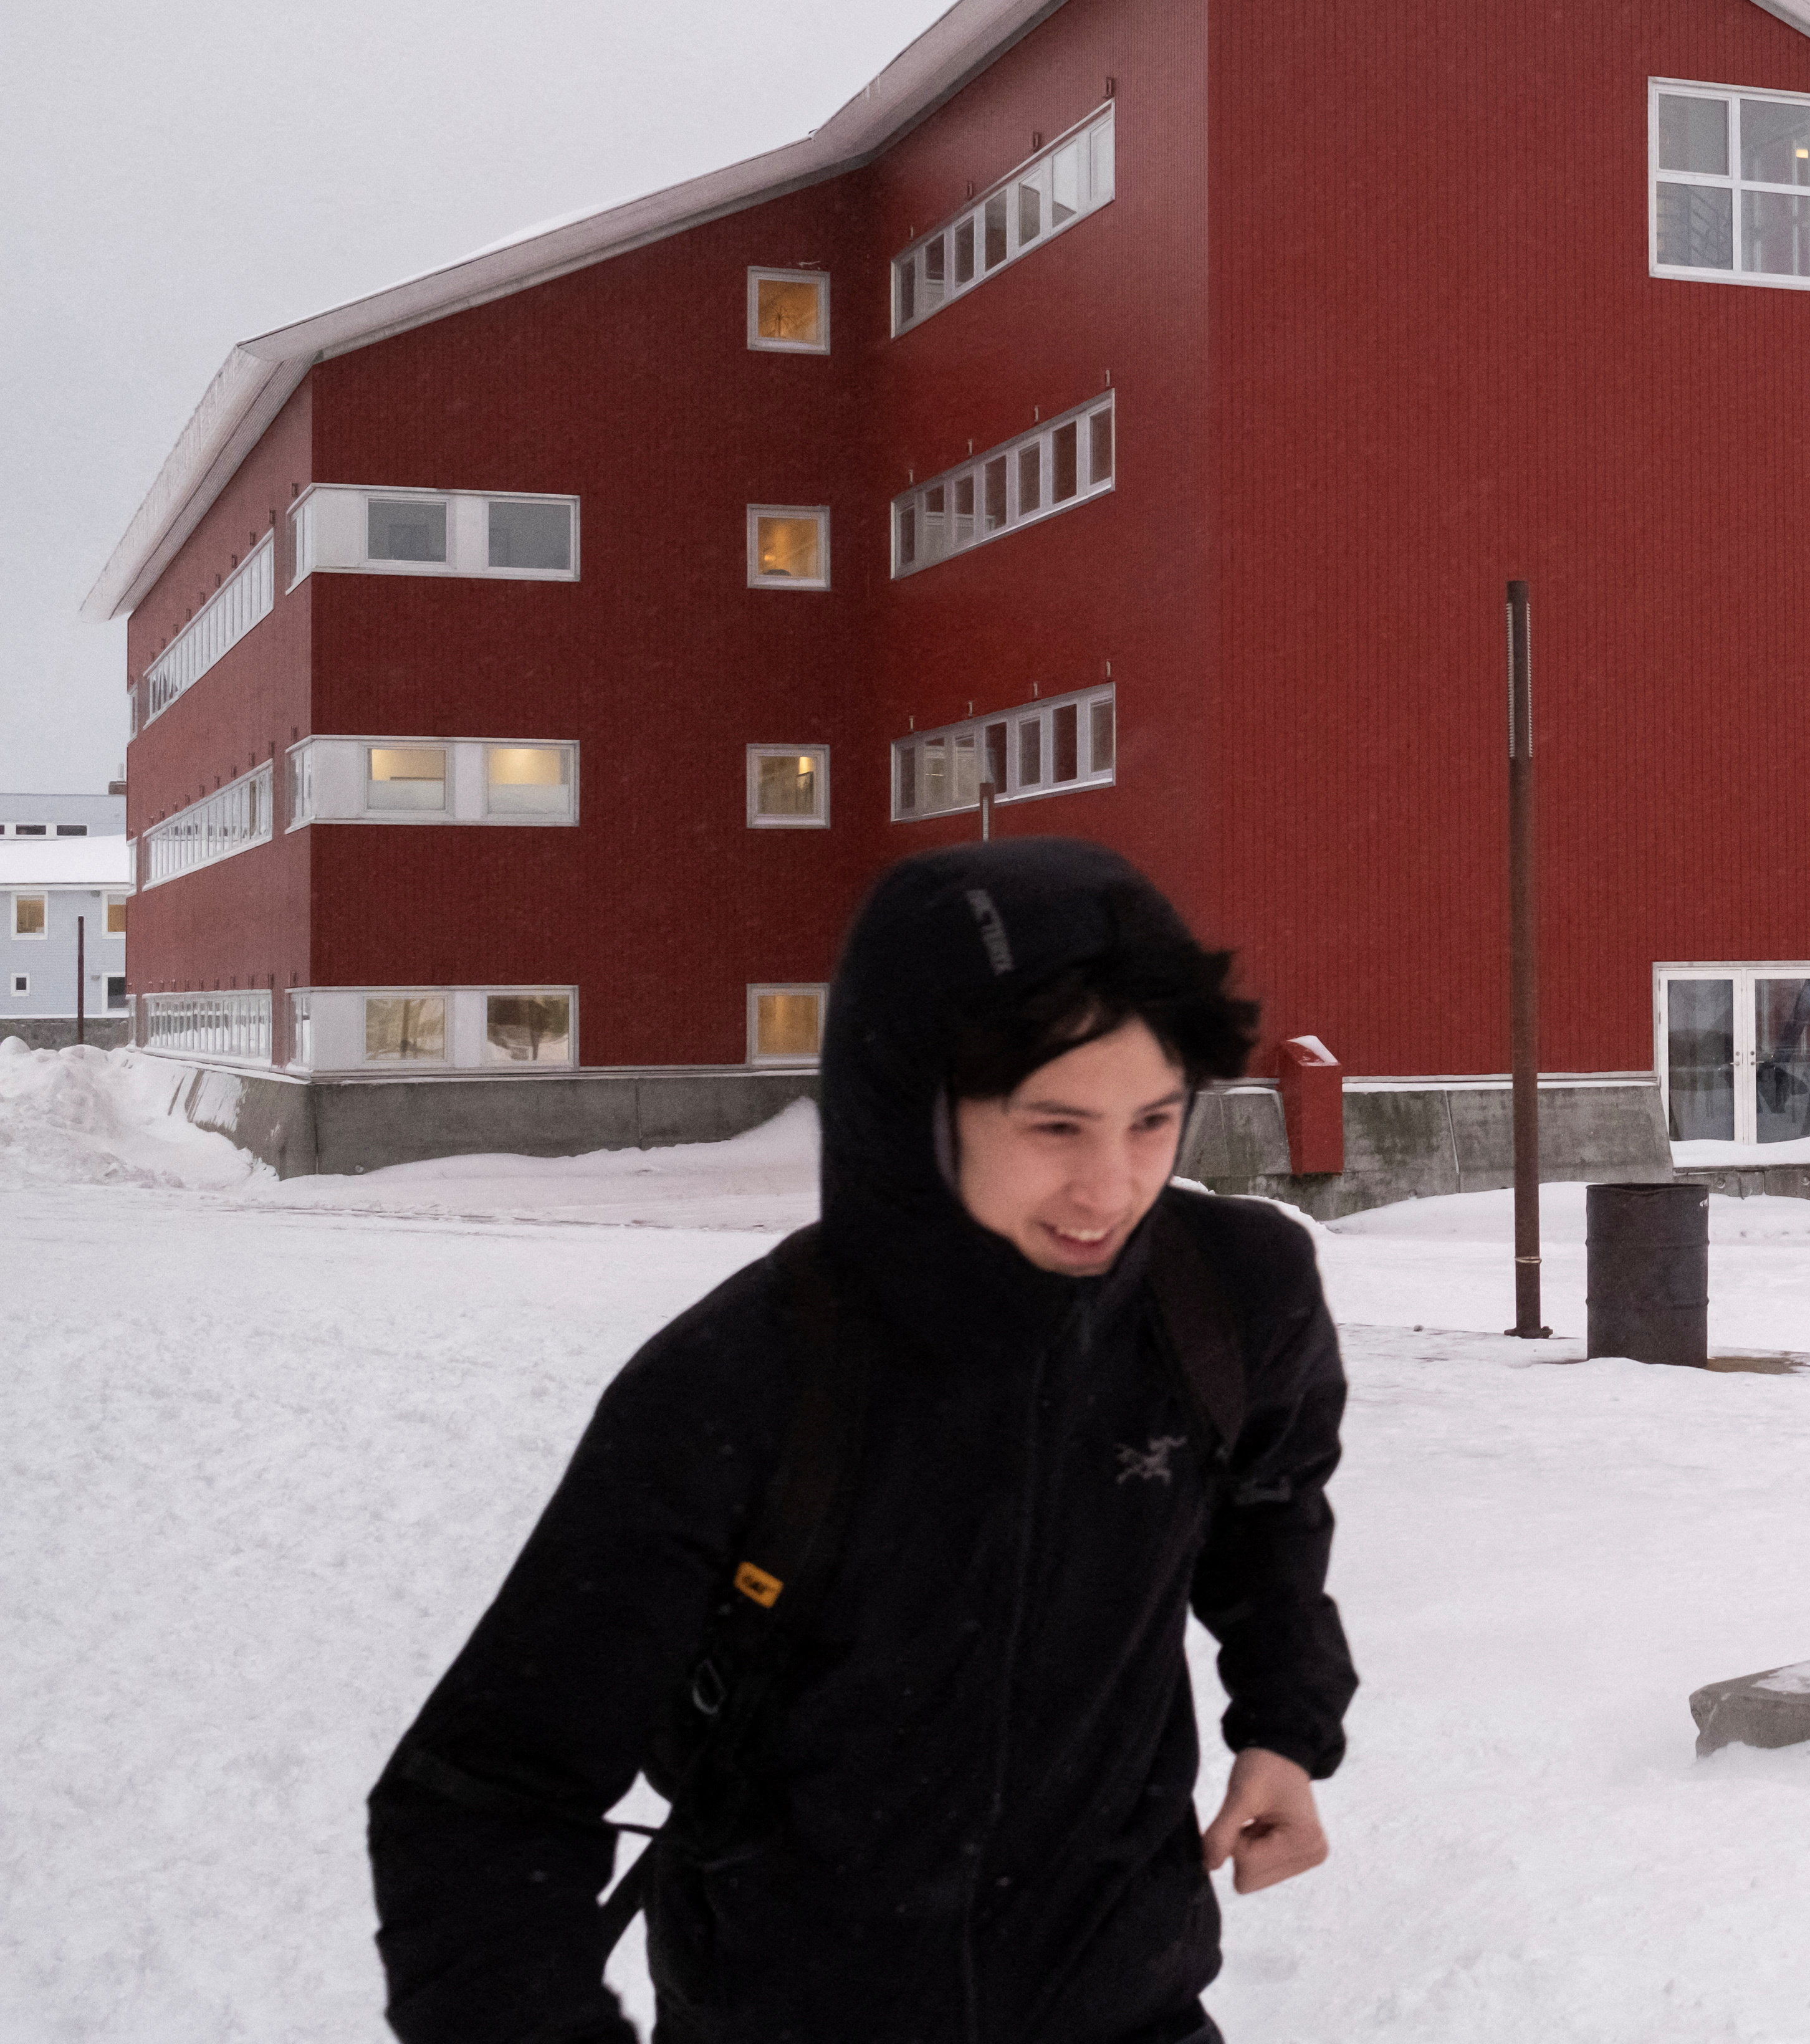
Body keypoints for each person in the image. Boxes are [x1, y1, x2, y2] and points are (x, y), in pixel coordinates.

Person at [367, 840, 1357, 2044]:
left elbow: (1268, 1503)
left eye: (1153, 1121)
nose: (1112, 1188)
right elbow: (481, 1795)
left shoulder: (1229, 1297)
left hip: (1126, 2007)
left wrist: (1283, 1723)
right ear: (917, 1106)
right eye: (1054, 1127)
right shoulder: (745, 1381)